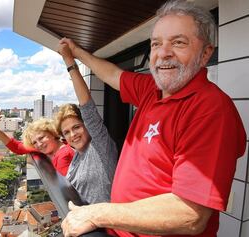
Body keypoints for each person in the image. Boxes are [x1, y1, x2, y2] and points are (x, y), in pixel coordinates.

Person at [58, 0, 247, 237]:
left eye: (178, 42)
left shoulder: (211, 108)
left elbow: (190, 214)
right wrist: (75, 54)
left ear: (205, 53)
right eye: (156, 44)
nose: (163, 53)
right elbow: (113, 74)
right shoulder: (152, 89)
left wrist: (97, 213)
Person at [55, 46, 118, 205]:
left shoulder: (100, 147)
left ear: (87, 125)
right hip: (87, 224)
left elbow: (87, 106)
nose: (73, 134)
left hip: (109, 227)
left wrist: (69, 62)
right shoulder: (76, 157)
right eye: (67, 132)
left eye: (76, 127)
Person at [0, 109, 73, 176]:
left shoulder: (64, 154)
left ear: (52, 133)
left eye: (41, 138)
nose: (39, 144)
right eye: (34, 142)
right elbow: (17, 147)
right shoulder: (47, 147)